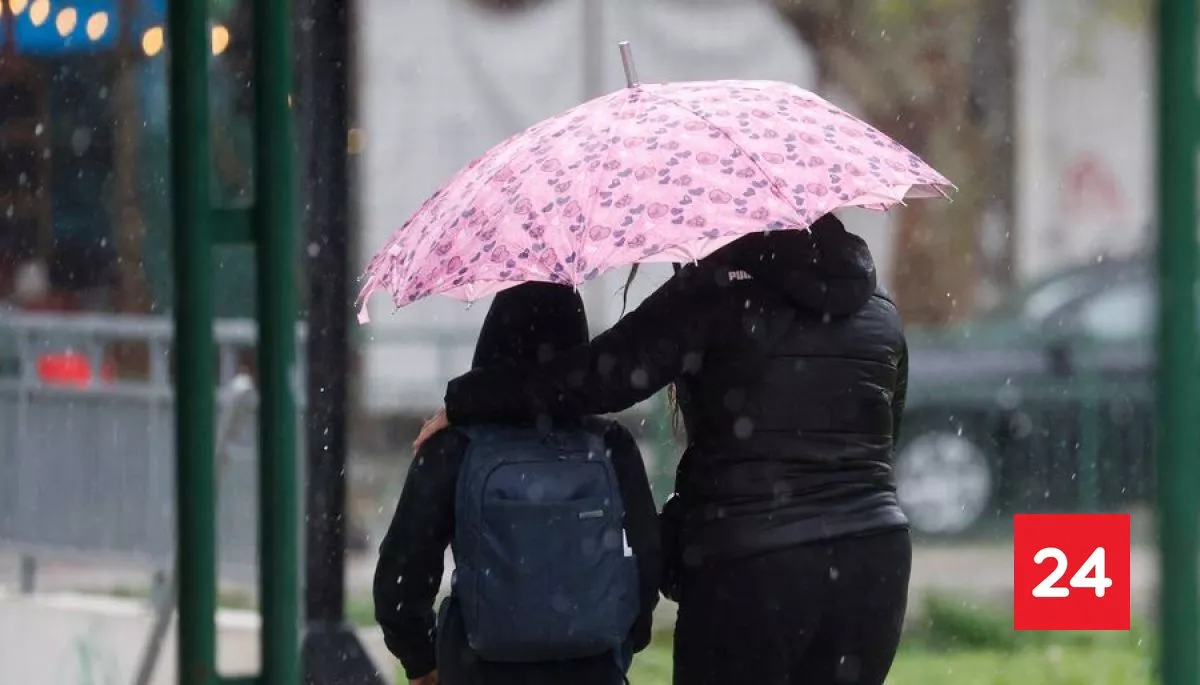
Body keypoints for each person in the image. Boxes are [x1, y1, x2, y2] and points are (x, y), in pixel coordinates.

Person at [416, 214, 911, 685]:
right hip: (875, 561)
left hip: (750, 567)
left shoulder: (718, 292)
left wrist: (470, 398)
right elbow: (886, 437)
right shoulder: (881, 309)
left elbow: (597, 377)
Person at [375, 282, 661, 685]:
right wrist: (623, 639)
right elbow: (647, 560)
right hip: (591, 666)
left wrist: (420, 658)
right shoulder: (611, 444)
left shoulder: (455, 447)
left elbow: (404, 568)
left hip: (479, 668)